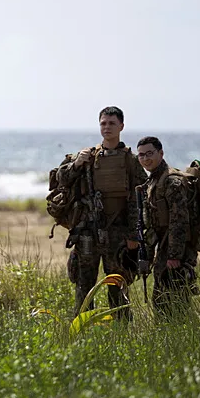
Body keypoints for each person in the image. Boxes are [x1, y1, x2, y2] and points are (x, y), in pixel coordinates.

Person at [57, 106, 147, 319]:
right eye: (103, 123)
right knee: (84, 284)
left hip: (118, 233)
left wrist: (134, 235)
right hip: (89, 231)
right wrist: (77, 164)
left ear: (121, 126)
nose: (107, 127)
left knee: (117, 284)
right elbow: (61, 179)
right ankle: (82, 328)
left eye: (112, 123)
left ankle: (121, 330)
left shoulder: (130, 161)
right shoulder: (87, 157)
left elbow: (139, 198)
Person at [136, 136, 198, 318]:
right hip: (164, 246)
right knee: (162, 299)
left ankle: (181, 337)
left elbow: (179, 221)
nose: (146, 159)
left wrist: (174, 256)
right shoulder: (154, 181)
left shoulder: (171, 181)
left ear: (161, 153)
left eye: (150, 153)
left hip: (176, 250)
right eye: (141, 155)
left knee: (174, 299)